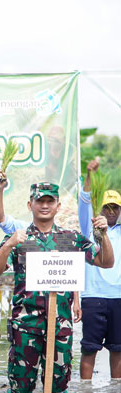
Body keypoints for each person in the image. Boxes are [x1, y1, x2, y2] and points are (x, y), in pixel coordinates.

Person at [0, 182, 114, 393]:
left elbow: (105, 262)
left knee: (58, 389)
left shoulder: (71, 239)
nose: (44, 205)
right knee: (20, 389)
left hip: (60, 328)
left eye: (49, 201)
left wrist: (104, 235)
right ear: (30, 205)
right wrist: (9, 244)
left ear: (57, 206)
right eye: (39, 201)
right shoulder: (19, 239)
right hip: (26, 327)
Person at [78, 159, 121, 380]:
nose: (111, 211)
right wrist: (89, 175)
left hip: (119, 297)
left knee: (118, 349)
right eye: (107, 207)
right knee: (89, 348)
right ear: (100, 208)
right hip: (93, 296)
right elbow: (84, 200)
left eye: (115, 207)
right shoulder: (89, 226)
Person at [0, 169, 29, 235]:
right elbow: (1, 220)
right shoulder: (23, 228)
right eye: (40, 202)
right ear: (30, 206)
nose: (45, 206)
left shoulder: (54, 233)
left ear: (55, 206)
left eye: (50, 202)